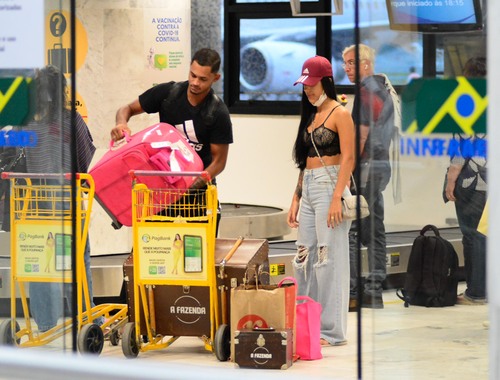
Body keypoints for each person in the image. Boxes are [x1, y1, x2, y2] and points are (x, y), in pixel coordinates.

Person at [111, 48, 233, 231]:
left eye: (203, 79)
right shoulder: (169, 93)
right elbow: (126, 109)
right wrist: (121, 124)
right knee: (154, 247)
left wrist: (191, 184)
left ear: (216, 78)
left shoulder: (218, 113)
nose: (195, 82)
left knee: (198, 253)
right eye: (193, 75)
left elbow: (219, 162)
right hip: (161, 187)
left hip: (197, 193)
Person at [24, 64, 100, 331]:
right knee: (79, 256)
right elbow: (85, 157)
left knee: (39, 258)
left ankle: (45, 323)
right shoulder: (71, 120)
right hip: (68, 203)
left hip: (35, 204)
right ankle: (86, 317)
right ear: (63, 91)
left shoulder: (26, 122)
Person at [288, 56, 355, 346]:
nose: (308, 90)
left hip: (331, 186)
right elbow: (305, 161)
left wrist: (337, 197)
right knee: (303, 257)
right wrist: (295, 197)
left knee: (330, 258)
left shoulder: (340, 113)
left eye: (312, 85)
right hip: (310, 187)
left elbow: (349, 158)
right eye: (304, 86)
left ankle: (331, 330)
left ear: (325, 81)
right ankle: (305, 321)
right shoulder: (310, 115)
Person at [342, 44, 400, 309]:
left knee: (353, 230)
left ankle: (353, 293)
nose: (347, 68)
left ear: (366, 63)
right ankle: (375, 290)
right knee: (376, 229)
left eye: (352, 63)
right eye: (345, 63)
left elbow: (361, 137)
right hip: (380, 167)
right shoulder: (384, 89)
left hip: (364, 169)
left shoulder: (366, 92)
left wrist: (347, 170)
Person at [444, 56, 487, 305]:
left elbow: (461, 150)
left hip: (472, 181)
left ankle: (476, 292)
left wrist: (451, 182)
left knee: (472, 235)